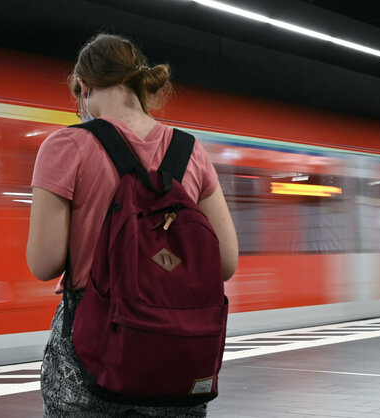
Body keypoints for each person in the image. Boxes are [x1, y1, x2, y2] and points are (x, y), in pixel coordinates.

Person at [26, 33, 238, 417]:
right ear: (139, 83)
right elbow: (226, 263)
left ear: (84, 87)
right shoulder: (191, 152)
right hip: (178, 354)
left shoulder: (65, 146)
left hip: (95, 353)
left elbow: (44, 263)